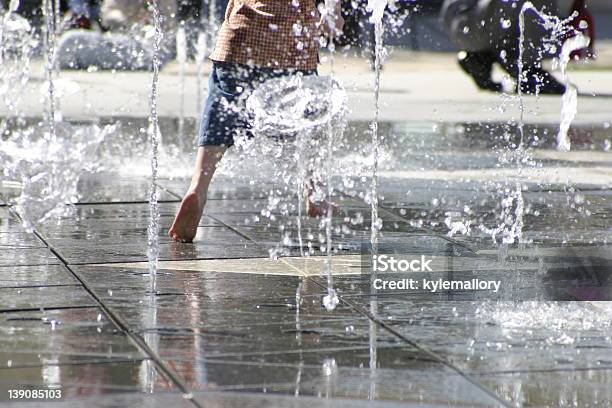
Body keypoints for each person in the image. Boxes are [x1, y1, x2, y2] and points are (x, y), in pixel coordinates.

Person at [168, 0, 344, 243]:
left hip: (240, 36)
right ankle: (313, 194)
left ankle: (198, 188)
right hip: (292, 40)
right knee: (309, 115)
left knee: (222, 111)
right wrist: (333, 9)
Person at [440, 0, 593, 94]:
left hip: (458, 20)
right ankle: (525, 67)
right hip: (472, 21)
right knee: (529, 7)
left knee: (517, 13)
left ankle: (482, 56)